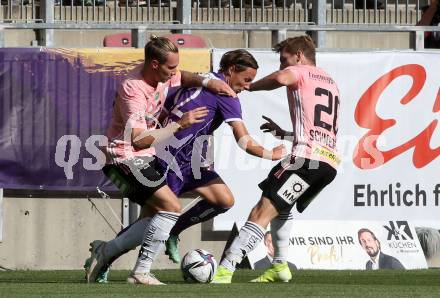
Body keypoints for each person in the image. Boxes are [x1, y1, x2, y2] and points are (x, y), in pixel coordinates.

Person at [85, 49, 286, 283]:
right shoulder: (226, 94)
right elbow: (243, 140)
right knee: (154, 218)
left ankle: (169, 234)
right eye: (246, 80)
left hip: (191, 163)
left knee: (223, 200)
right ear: (231, 70)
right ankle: (116, 259)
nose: (248, 86)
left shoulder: (199, 80)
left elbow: (163, 109)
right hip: (171, 161)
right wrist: (270, 153)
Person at [212, 35, 340, 284]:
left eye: (284, 60)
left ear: (299, 56)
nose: (283, 66)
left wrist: (251, 86)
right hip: (327, 163)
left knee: (261, 211)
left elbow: (281, 78)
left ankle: (225, 269)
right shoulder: (330, 81)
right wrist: (287, 133)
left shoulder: (299, 71)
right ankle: (280, 266)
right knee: (282, 208)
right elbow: (323, 128)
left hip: (305, 160)